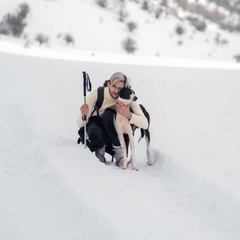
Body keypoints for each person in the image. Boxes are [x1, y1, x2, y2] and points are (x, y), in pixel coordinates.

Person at [77, 72, 148, 165]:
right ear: (108, 84)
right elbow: (80, 124)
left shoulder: (128, 99)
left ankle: (119, 152)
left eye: (120, 88)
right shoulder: (98, 93)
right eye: (114, 86)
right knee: (95, 129)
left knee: (108, 115)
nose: (116, 91)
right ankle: (100, 151)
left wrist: (128, 114)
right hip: (98, 127)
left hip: (115, 132)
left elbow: (145, 124)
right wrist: (84, 115)